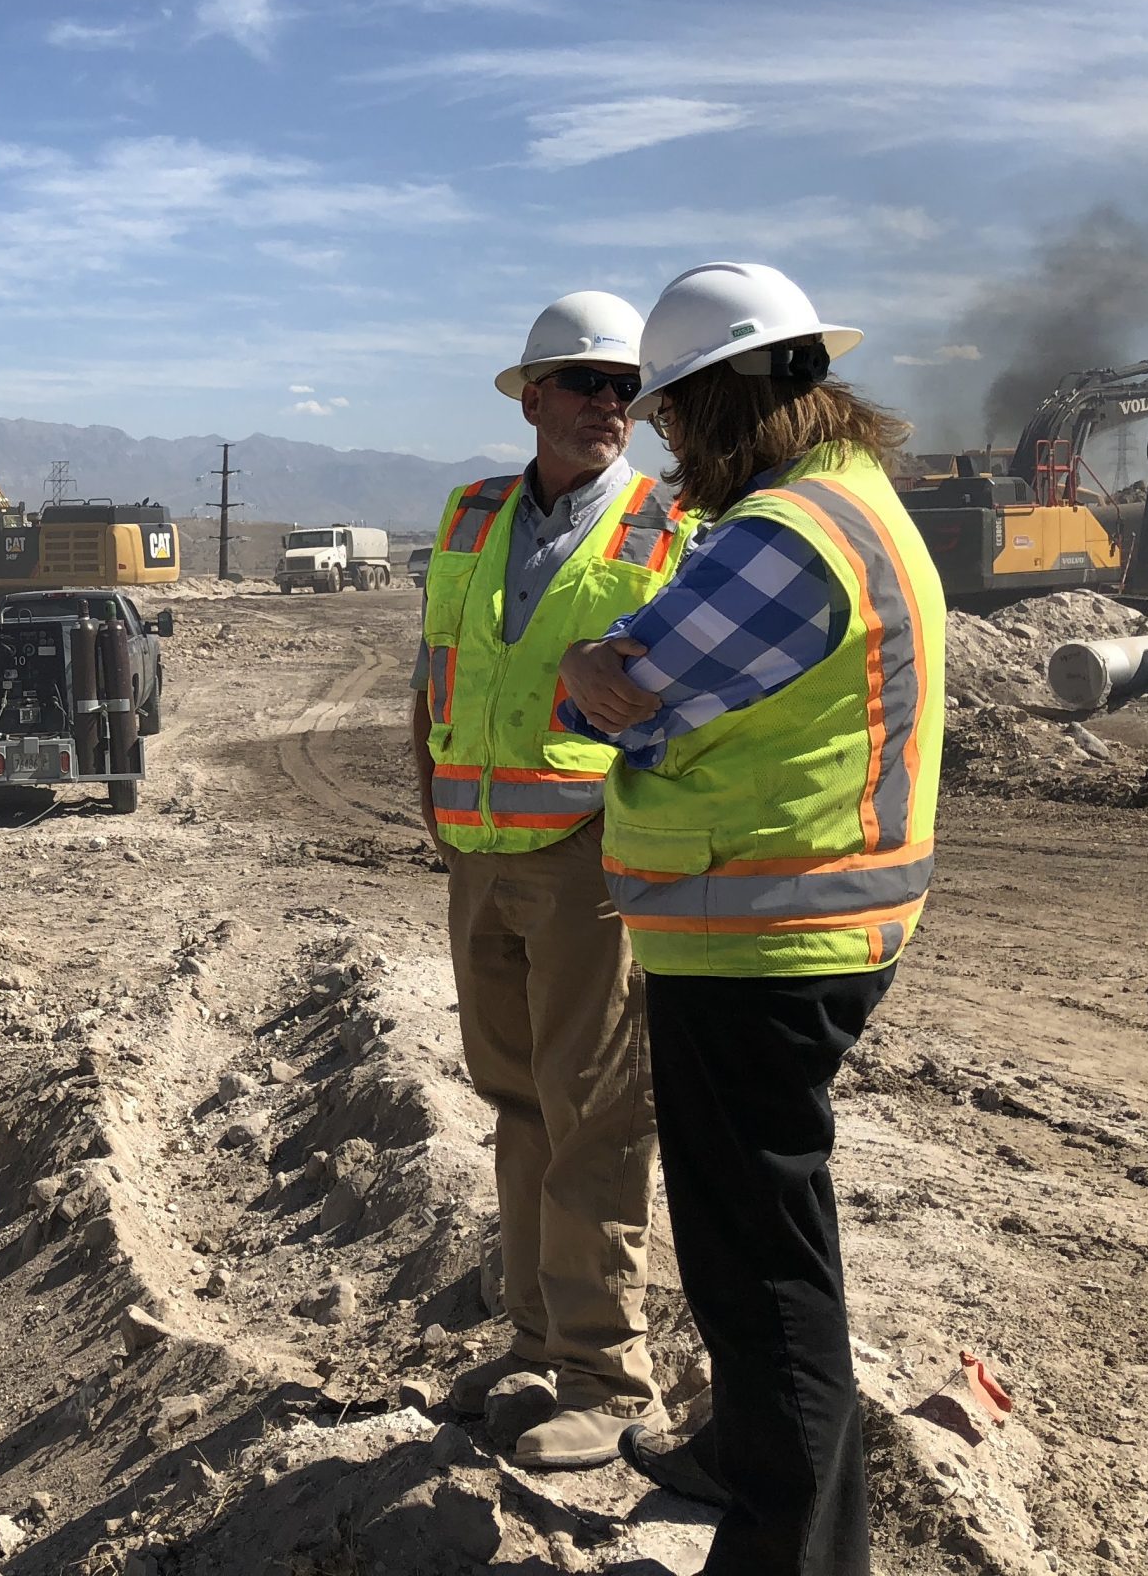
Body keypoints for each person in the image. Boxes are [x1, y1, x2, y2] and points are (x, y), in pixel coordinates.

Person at [555, 262, 944, 1576]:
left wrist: (583, 669)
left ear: (722, 402)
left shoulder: (791, 536)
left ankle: (795, 1547)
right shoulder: (851, 505)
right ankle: (742, 1454)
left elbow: (623, 688)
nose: (664, 439)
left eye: (671, 414)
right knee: (744, 1235)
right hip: (778, 922)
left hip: (768, 937)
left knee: (764, 1270)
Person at [410, 290, 690, 1471]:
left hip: (590, 860)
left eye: (624, 389)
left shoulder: (665, 528)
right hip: (479, 852)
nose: (606, 406)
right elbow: (434, 663)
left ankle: (607, 1376)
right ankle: (533, 1344)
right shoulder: (470, 515)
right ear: (528, 397)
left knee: (595, 1115)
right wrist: (429, 792)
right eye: (581, 383)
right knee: (517, 1104)